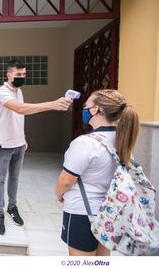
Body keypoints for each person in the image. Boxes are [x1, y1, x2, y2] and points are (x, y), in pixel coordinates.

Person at [56, 89, 139, 256]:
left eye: (87, 106)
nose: (84, 109)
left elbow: (66, 180)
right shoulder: (122, 140)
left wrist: (59, 194)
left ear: (96, 110)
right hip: (110, 212)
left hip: (82, 213)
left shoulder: (85, 143)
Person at [0, 60, 72, 235]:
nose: (21, 78)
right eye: (18, 75)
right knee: (0, 179)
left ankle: (12, 208)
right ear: (8, 75)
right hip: (4, 144)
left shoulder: (19, 91)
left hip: (19, 143)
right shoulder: (2, 92)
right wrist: (52, 104)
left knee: (14, 178)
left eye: (23, 75)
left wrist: (23, 137)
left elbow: (20, 117)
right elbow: (20, 109)